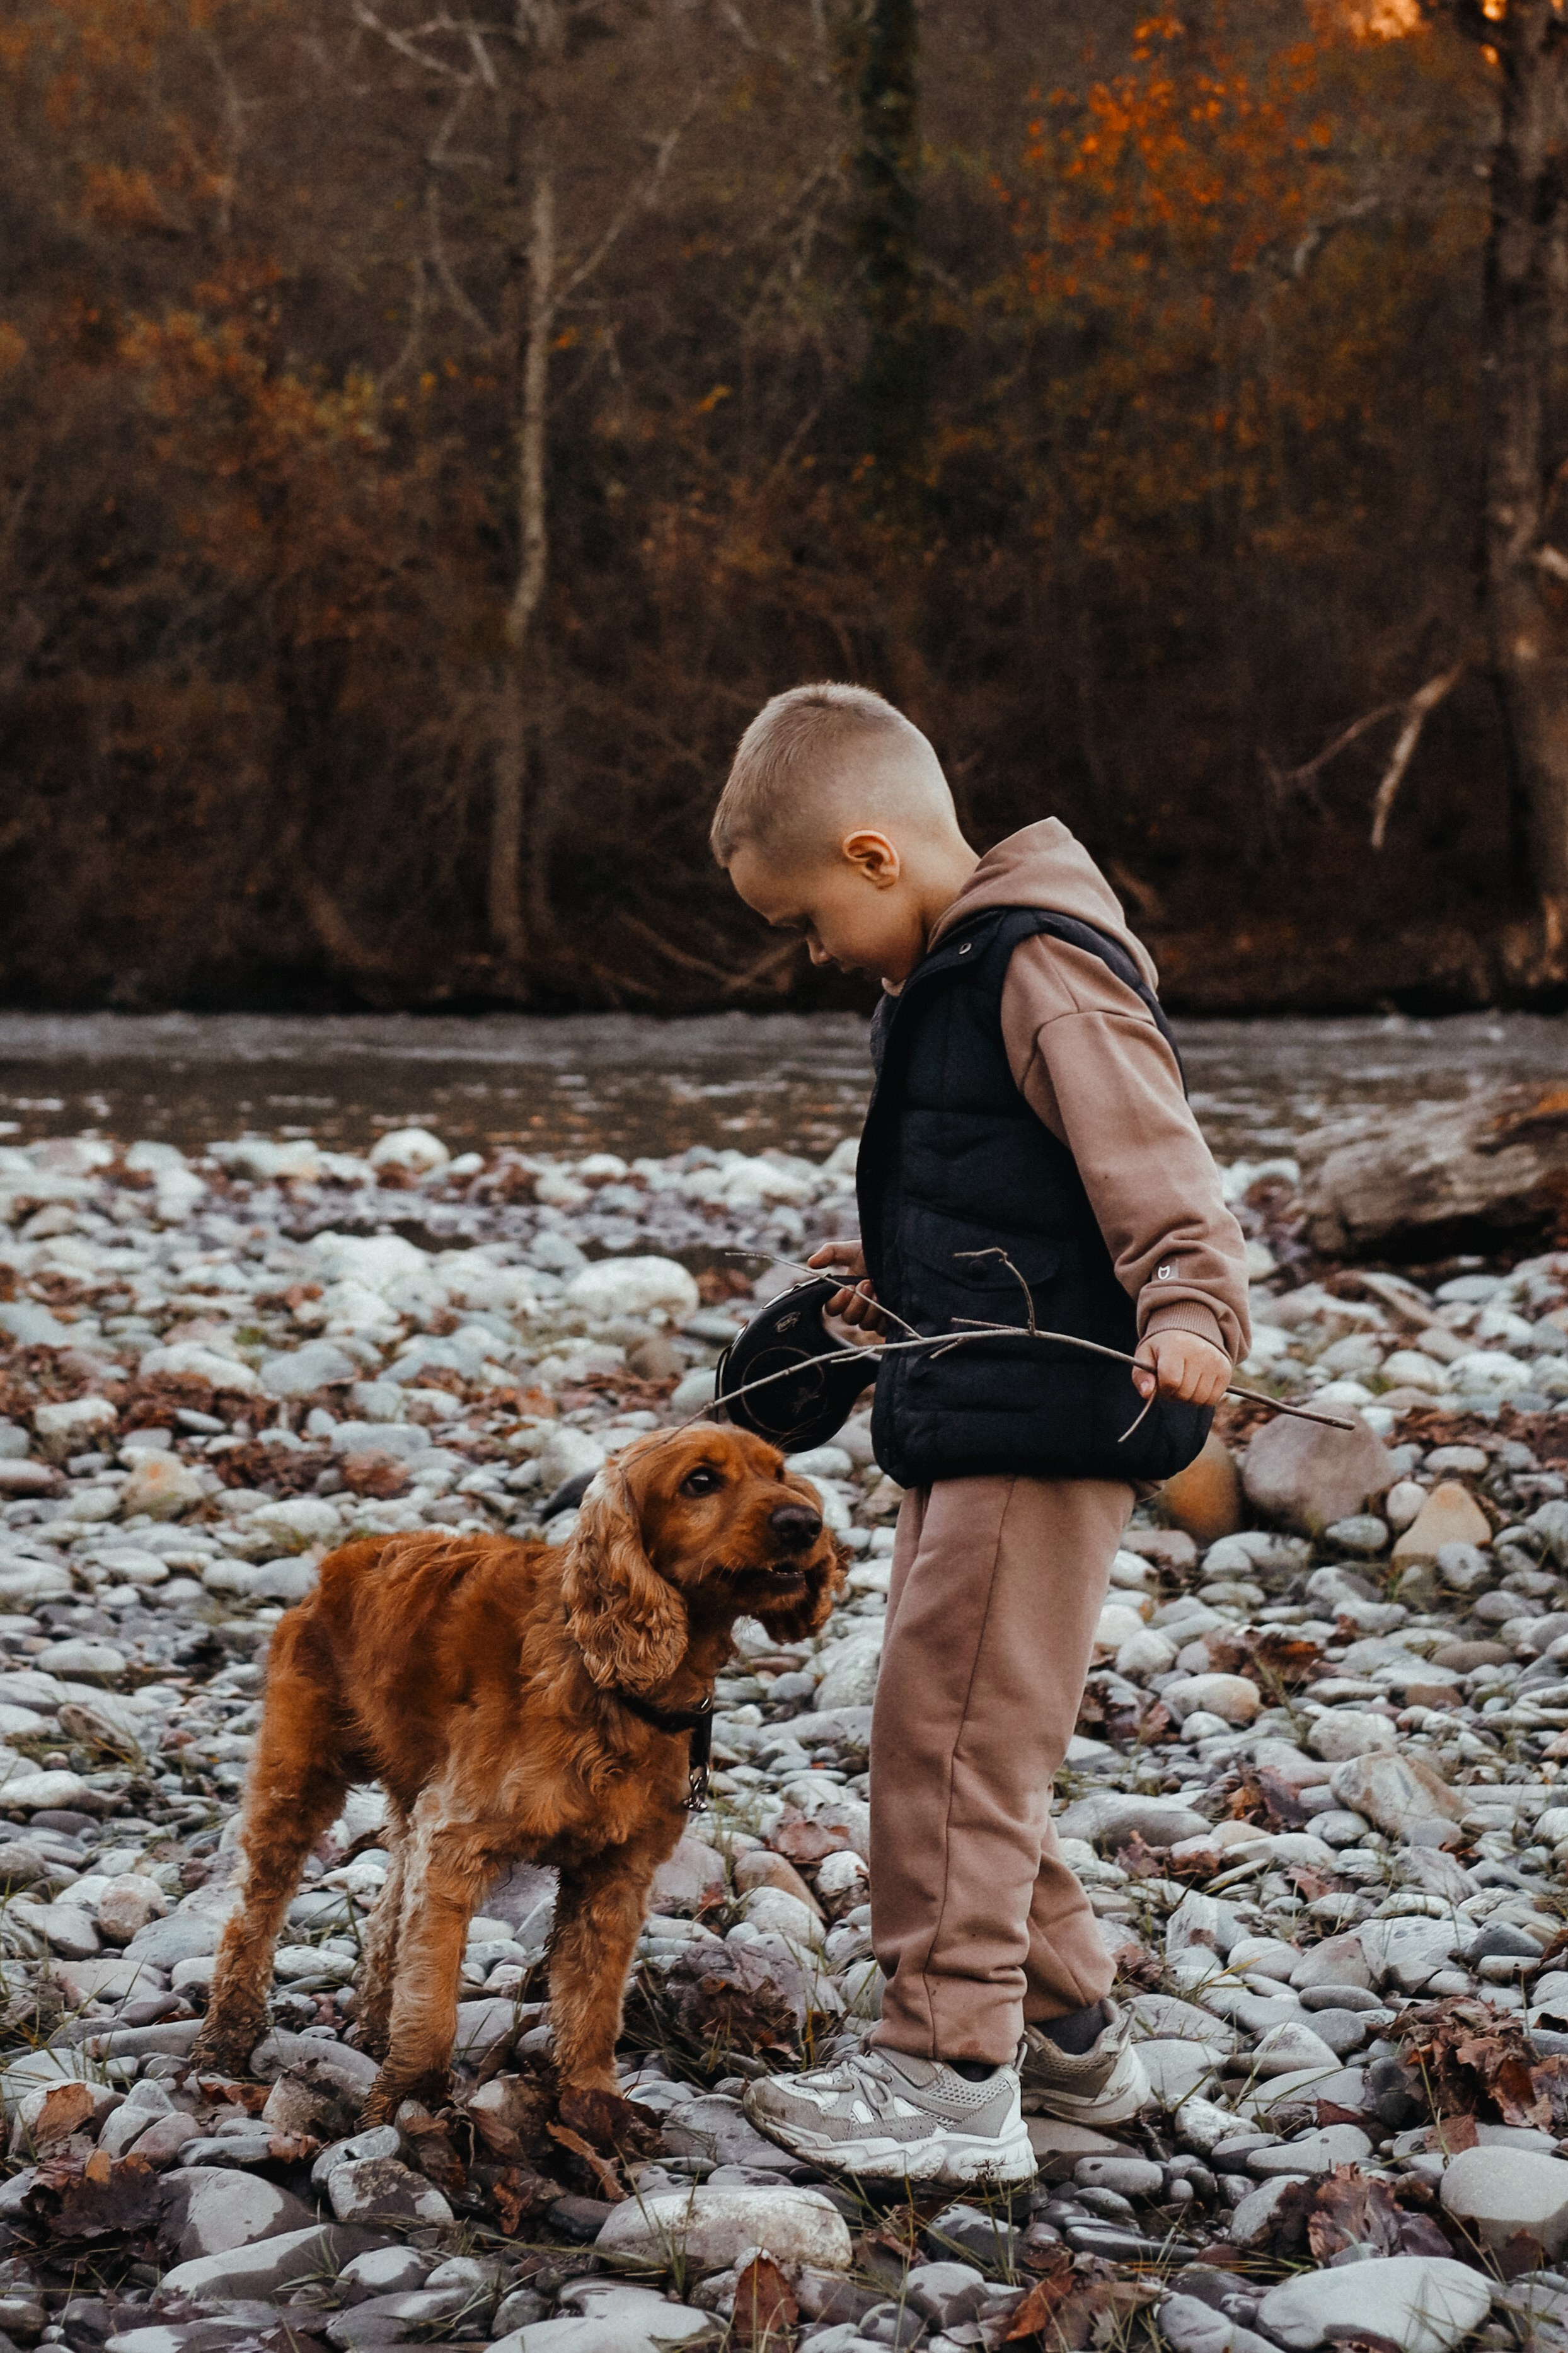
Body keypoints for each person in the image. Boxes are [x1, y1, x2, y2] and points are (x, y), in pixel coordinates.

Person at [708, 682, 1250, 2188]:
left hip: (1050, 1417)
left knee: (942, 1739)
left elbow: (1157, 1166)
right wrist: (882, 1285)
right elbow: (987, 1182)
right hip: (968, 1402)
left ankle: (947, 2074)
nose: (816, 954)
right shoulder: (942, 978)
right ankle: (1069, 2037)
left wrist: (1192, 1305)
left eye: (809, 919)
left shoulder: (1039, 970)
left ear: (876, 858)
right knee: (965, 1734)